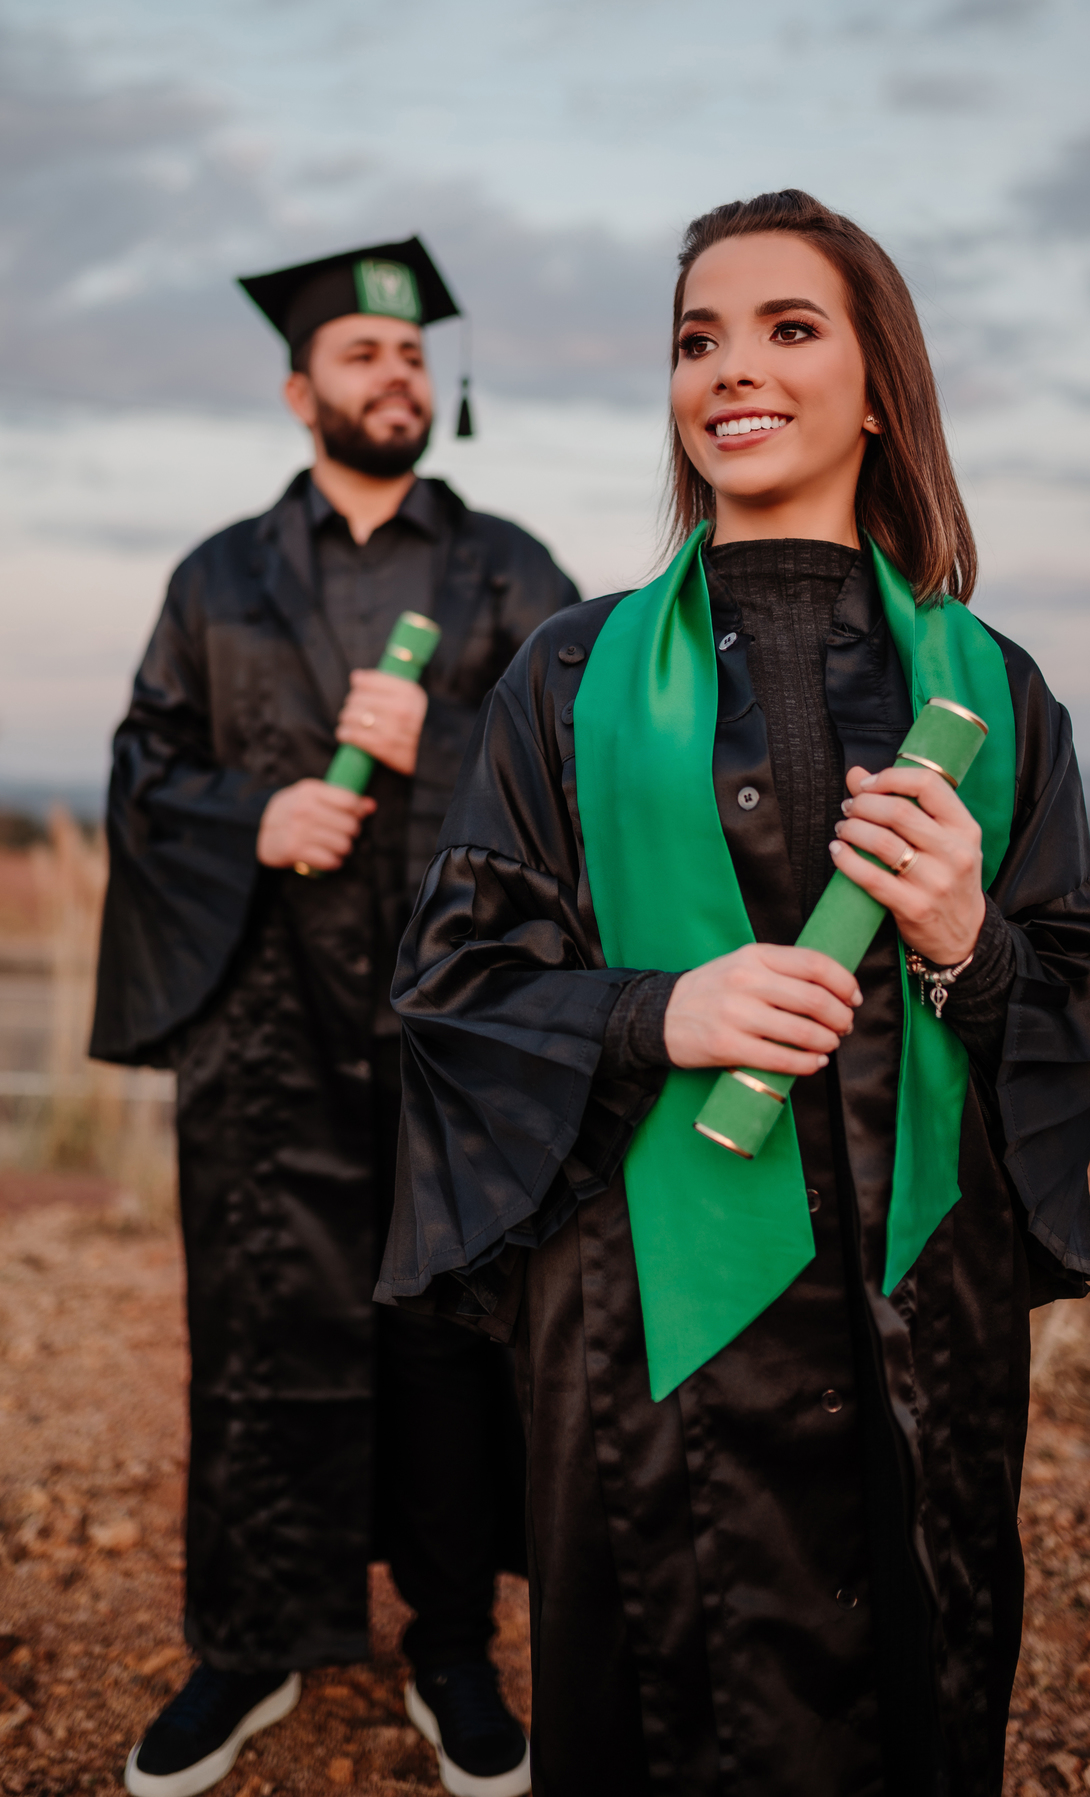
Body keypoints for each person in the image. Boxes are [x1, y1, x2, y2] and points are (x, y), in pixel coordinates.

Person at [375, 191, 1090, 1797]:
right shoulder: (570, 677)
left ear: (879, 387)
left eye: (788, 328)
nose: (729, 368)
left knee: (918, 1687)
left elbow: (1080, 994)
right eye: (697, 339)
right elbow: (451, 988)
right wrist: (654, 1015)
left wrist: (965, 939)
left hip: (920, 1314)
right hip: (648, 1332)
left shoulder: (993, 690)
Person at [91, 237, 578, 1797]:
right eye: (363, 354)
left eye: (414, 354)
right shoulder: (218, 577)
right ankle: (252, 1640)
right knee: (264, 1335)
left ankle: (452, 1642)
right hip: (265, 1036)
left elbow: (585, 769)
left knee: (451, 1337)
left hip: (459, 1039)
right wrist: (259, 814)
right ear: (300, 389)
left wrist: (442, 751)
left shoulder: (509, 571)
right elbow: (144, 771)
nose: (397, 374)